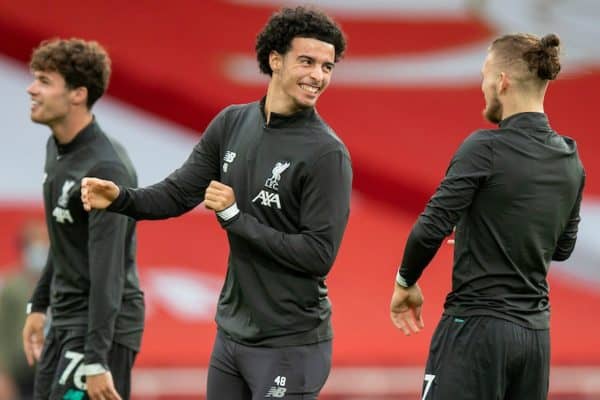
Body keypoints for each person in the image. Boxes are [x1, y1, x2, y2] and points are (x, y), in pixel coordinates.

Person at [81, 6, 351, 399]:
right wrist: (122, 199)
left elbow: (318, 255)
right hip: (231, 337)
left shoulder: (327, 154)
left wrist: (234, 217)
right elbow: (177, 193)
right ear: (275, 60)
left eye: (327, 66)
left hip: (291, 345)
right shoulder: (232, 123)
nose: (318, 76)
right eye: (307, 61)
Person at [390, 33, 585, 399]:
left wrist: (405, 283)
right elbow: (561, 250)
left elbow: (429, 228)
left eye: (484, 76)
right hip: (534, 339)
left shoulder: (484, 148)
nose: (482, 87)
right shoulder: (569, 157)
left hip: (476, 331)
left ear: (502, 81)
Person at [22, 38, 145, 400]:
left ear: (77, 94)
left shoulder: (105, 168)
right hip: (65, 317)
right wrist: (39, 304)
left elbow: (108, 271)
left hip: (102, 325)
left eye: (44, 81)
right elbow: (63, 242)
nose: (31, 88)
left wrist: (96, 360)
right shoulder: (56, 149)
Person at [0, 220, 49, 400]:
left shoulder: (62, 285)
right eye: (33, 243)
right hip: (19, 374)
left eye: (44, 243)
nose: (39, 249)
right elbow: (2, 333)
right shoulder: (12, 286)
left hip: (53, 369)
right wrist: (3, 375)